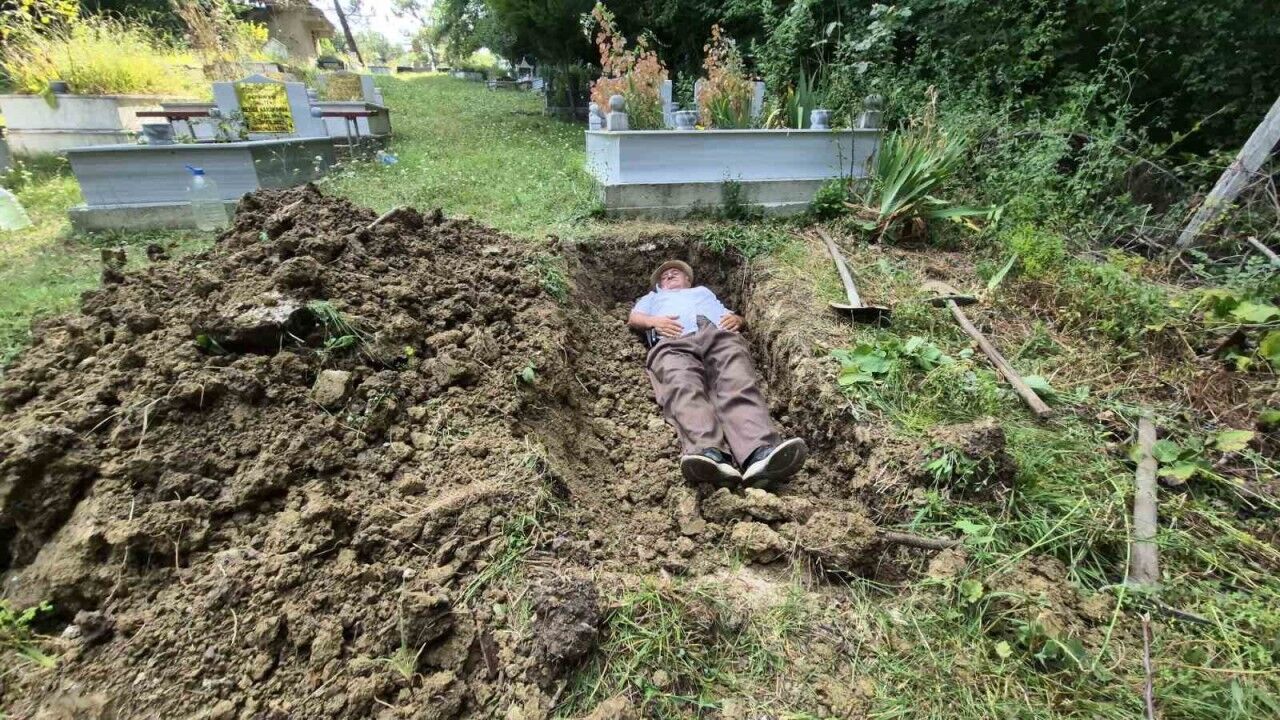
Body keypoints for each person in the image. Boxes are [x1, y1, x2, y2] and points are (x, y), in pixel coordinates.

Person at [628, 259, 807, 486]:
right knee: (682, 385)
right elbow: (634, 318)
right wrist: (654, 321)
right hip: (673, 340)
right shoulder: (653, 298)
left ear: (688, 280)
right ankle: (708, 454)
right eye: (664, 277)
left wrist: (738, 320)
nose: (669, 276)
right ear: (659, 286)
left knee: (736, 380)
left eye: (675, 272)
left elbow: (735, 317)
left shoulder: (704, 293)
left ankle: (759, 451)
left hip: (718, 334)